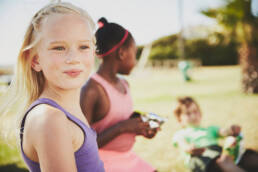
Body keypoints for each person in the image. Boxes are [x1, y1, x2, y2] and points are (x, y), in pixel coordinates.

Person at [0, 2, 104, 172]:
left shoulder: (65, 111)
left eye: (83, 46)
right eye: (59, 48)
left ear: (93, 52)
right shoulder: (49, 119)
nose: (73, 58)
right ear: (35, 60)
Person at [80, 17, 158, 172]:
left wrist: (139, 126)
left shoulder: (124, 84)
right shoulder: (92, 90)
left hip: (126, 158)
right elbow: (81, 147)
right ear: (122, 53)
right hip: (101, 162)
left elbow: (118, 118)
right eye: (134, 54)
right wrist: (122, 127)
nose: (135, 61)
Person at [172, 96, 258, 172]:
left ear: (200, 113)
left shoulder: (210, 129)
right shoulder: (180, 134)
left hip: (218, 152)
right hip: (199, 156)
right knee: (223, 162)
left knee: (248, 156)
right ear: (180, 120)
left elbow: (223, 132)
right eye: (188, 113)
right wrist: (190, 148)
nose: (193, 116)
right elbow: (183, 145)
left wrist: (231, 130)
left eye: (195, 111)